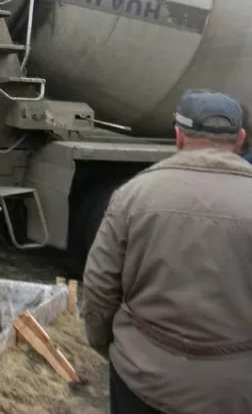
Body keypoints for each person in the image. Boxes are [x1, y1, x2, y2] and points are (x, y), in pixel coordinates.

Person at [82, 88, 252, 414]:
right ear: (240, 138)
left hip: (143, 378)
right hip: (234, 390)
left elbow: (99, 286)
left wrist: (106, 344)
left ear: (178, 135)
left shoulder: (133, 195)